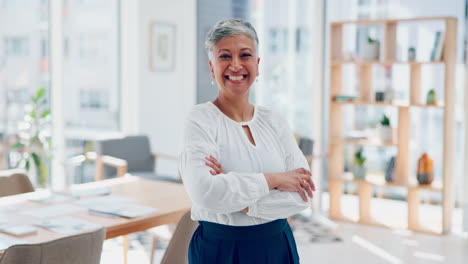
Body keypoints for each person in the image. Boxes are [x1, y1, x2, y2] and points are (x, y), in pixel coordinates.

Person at [179, 18, 315, 264]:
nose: (236, 65)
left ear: (257, 64)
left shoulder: (274, 121)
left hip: (277, 246)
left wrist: (238, 201)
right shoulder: (200, 120)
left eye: (245, 55)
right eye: (224, 56)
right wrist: (275, 180)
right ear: (212, 67)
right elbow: (205, 192)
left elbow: (302, 194)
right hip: (219, 249)